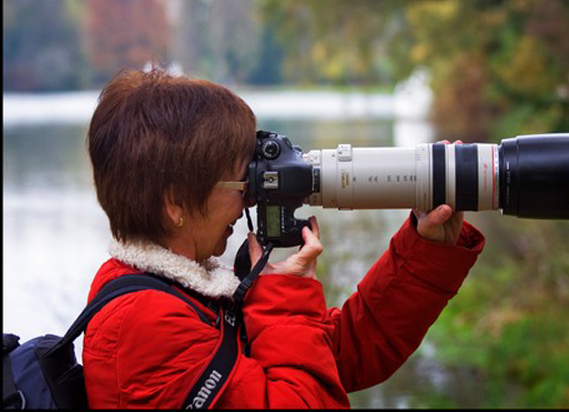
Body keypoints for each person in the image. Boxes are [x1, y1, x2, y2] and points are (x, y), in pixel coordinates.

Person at [83, 68, 484, 407]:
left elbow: (334, 358)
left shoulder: (177, 291)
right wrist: (284, 299)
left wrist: (426, 247)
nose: (250, 198)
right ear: (175, 204)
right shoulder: (145, 324)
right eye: (242, 180)